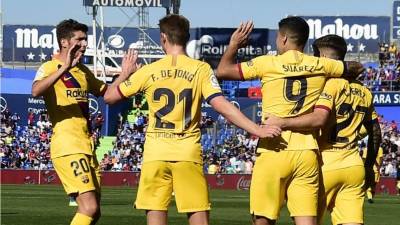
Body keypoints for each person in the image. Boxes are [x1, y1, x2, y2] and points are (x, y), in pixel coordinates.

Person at [103, 14, 281, 225]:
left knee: (155, 215)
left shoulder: (148, 71)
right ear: (187, 38)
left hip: (155, 153)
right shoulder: (200, 69)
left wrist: (124, 74)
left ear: (163, 38)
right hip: (187, 152)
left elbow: (109, 97)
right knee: (198, 217)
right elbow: (222, 106)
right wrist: (257, 129)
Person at [216, 17, 364, 225]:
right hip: (307, 152)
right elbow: (357, 67)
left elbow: (223, 71)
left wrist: (234, 45)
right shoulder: (321, 64)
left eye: (278, 36)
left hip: (273, 148)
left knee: (263, 220)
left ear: (283, 39)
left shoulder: (268, 63)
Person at [265, 34, 382, 225]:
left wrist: (281, 121)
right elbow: (376, 132)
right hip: (353, 166)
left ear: (325, 60)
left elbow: (315, 119)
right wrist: (369, 166)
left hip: (324, 164)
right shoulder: (364, 91)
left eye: (317, 57)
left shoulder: (328, 85)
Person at [31, 19, 133, 225]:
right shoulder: (49, 66)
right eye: (80, 39)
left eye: (85, 39)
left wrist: (124, 75)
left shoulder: (83, 71)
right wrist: (64, 68)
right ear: (64, 42)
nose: (85, 44)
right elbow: (36, 90)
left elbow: (108, 94)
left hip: (87, 146)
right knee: (89, 207)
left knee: (94, 212)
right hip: (68, 145)